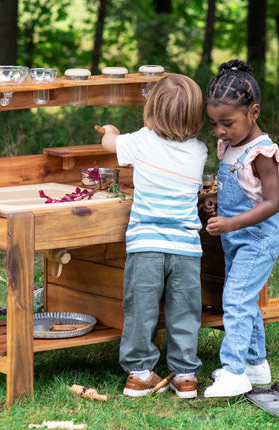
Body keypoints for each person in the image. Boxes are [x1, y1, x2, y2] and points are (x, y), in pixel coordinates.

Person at [99, 74, 208, 399]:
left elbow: (109, 145)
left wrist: (111, 132)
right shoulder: (199, 152)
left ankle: (139, 375)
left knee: (141, 311)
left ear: (152, 111)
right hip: (187, 250)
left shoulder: (141, 141)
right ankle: (185, 375)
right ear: (195, 116)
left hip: (146, 246)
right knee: (185, 313)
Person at [201, 59, 279, 397]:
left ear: (253, 112)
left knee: (235, 299)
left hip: (258, 238)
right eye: (214, 123)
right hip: (235, 237)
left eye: (227, 123)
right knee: (245, 300)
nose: (220, 131)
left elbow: (272, 202)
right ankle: (255, 365)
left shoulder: (262, 152)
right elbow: (238, 188)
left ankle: (234, 371)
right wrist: (214, 202)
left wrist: (231, 222)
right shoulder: (229, 146)